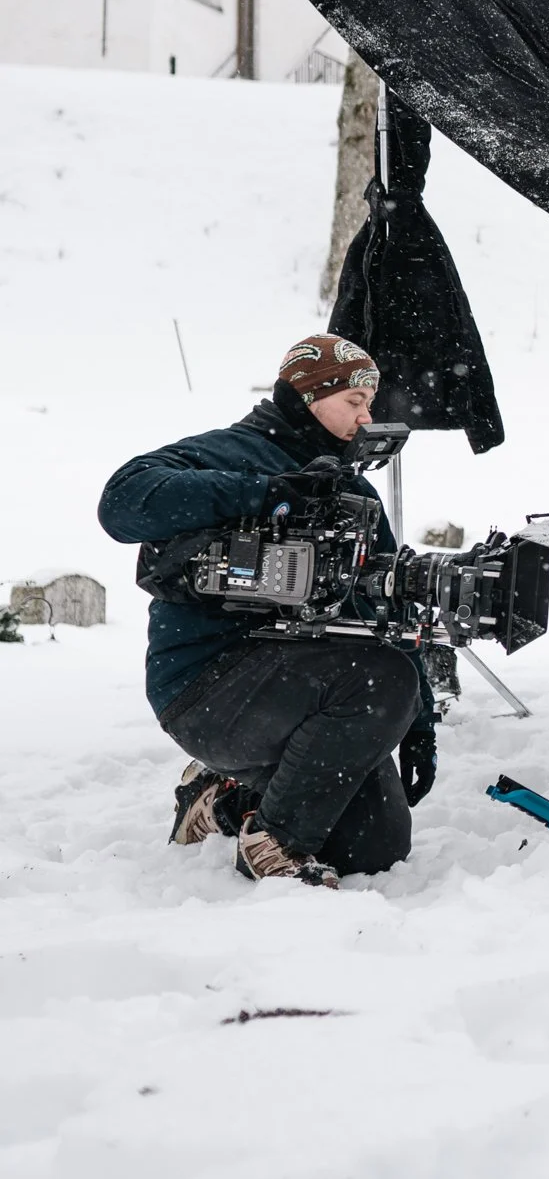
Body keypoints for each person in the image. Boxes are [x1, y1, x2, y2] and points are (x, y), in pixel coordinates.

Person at [98, 333, 434, 888]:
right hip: (206, 687)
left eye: (370, 405)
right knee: (381, 678)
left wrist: (418, 717)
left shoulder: (351, 491)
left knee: (374, 845)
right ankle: (274, 847)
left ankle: (223, 800)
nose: (365, 418)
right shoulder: (228, 451)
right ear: (309, 394)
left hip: (305, 686)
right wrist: (267, 494)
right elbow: (120, 504)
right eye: (355, 402)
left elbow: (388, 600)